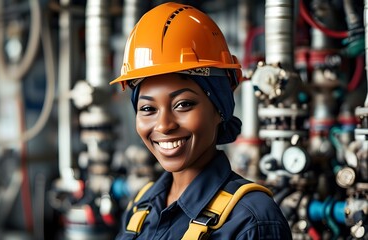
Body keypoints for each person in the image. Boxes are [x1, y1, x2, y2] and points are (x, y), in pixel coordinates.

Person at [110, 2, 292, 239]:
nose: (164, 125)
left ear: (220, 108)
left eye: (183, 104)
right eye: (147, 108)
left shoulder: (252, 220)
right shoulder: (142, 206)